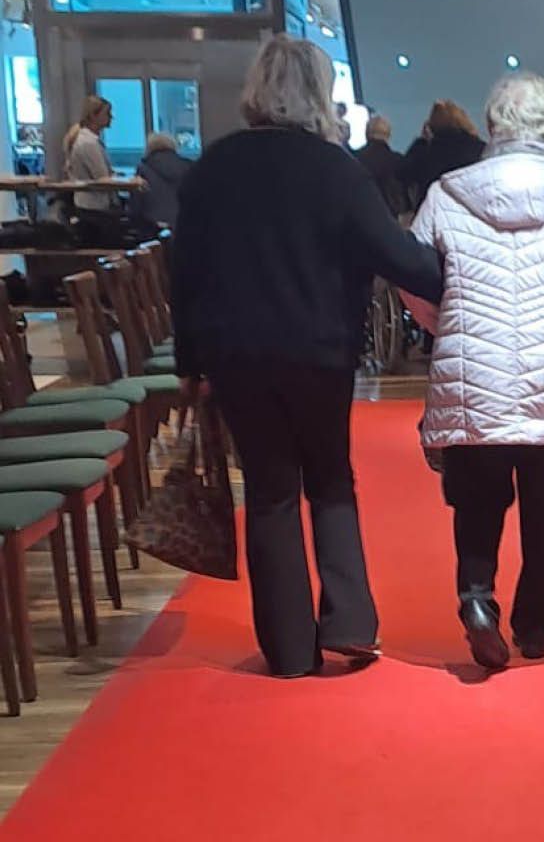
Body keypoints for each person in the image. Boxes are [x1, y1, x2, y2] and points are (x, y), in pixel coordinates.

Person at [172, 34, 442, 679]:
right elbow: (398, 258)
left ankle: (289, 650)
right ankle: (349, 621)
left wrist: (190, 362)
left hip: (237, 354)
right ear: (320, 94)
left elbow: (183, 274)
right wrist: (451, 269)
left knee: (270, 491)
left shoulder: (212, 168)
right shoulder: (335, 170)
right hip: (320, 351)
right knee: (329, 479)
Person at [401, 73, 544, 670]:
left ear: (492, 126)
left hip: (474, 372)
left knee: (478, 501)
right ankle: (535, 627)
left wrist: (445, 323)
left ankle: (477, 598)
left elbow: (413, 278)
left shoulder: (447, 191)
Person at [410, 100, 485, 201]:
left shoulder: (425, 153)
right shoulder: (480, 148)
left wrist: (422, 141)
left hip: (434, 206)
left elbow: (405, 176)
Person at [63, 95, 118, 213]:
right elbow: (102, 178)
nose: (111, 117)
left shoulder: (86, 139)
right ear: (93, 115)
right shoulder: (88, 143)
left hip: (88, 204)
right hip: (94, 206)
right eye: (107, 113)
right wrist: (129, 181)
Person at [129, 132, 191, 230]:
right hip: (185, 223)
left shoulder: (143, 169)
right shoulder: (188, 166)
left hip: (153, 225)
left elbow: (136, 204)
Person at [354, 114, 410, 217]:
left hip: (359, 215)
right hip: (389, 217)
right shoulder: (397, 161)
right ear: (388, 135)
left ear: (367, 134)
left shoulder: (354, 158)